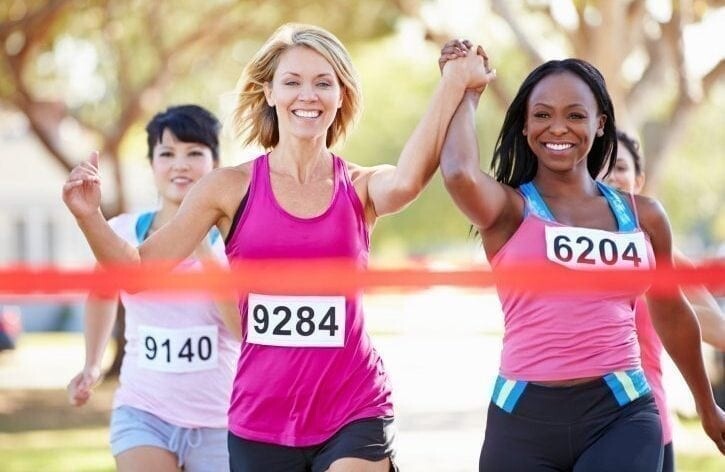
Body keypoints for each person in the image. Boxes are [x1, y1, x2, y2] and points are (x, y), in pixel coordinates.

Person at [62, 24, 493, 472]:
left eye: (323, 83)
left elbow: (408, 180)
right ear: (269, 92)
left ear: (341, 95)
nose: (308, 95)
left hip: (354, 407)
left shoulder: (360, 186)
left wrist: (453, 82)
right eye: (292, 82)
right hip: (261, 420)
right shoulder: (227, 188)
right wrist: (89, 216)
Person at [438, 40, 725, 471]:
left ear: (600, 124)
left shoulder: (643, 216)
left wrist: (707, 406)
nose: (558, 128)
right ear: (524, 126)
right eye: (542, 115)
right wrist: (467, 92)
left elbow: (671, 311)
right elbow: (459, 173)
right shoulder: (508, 210)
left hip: (621, 412)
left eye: (575, 115)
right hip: (522, 417)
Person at [66, 104, 241, 472]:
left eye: (194, 153)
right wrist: (92, 365)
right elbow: (102, 293)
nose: (180, 165)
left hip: (221, 421)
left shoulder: (235, 241)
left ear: (216, 163)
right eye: (167, 153)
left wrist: (201, 245)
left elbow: (242, 330)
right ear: (151, 163)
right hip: (142, 413)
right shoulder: (122, 231)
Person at [601, 129, 725, 471]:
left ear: (638, 181)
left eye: (620, 167)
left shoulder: (655, 247)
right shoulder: (564, 243)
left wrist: (655, 293)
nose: (611, 176)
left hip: (648, 429)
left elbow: (716, 326)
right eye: (601, 167)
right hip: (580, 429)